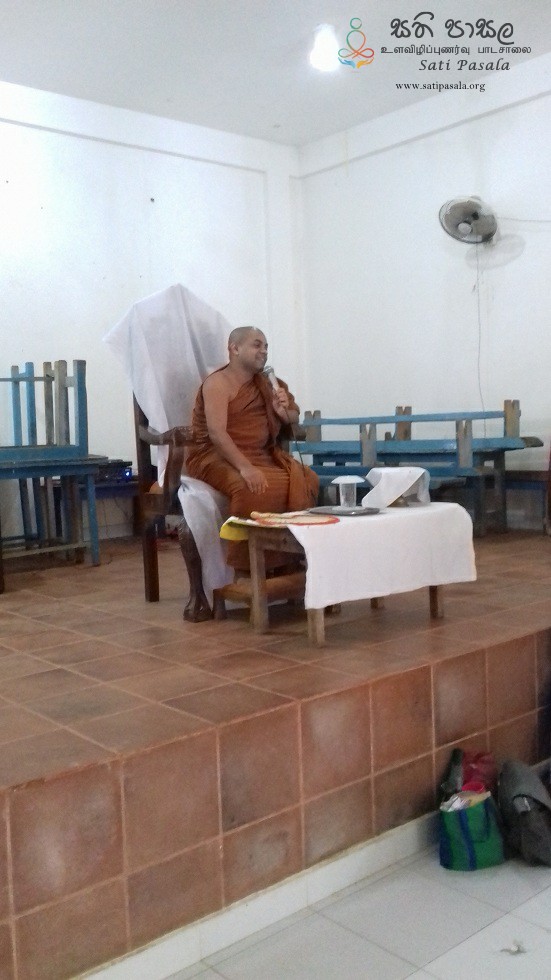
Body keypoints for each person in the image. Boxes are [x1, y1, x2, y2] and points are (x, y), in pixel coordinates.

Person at [186, 326, 319, 567]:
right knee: (252, 488)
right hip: (215, 456)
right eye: (257, 345)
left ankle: (288, 562)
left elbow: (293, 418)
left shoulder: (270, 384)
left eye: (266, 346)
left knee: (307, 479)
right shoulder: (218, 383)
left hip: (263, 455)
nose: (264, 351)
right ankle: (248, 566)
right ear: (235, 349)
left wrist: (282, 412)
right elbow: (217, 433)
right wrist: (245, 468)